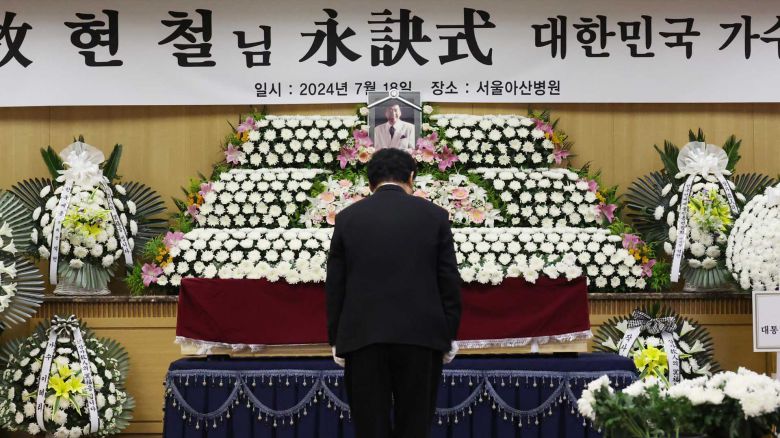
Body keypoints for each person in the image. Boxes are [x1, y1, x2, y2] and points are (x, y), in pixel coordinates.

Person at [325, 148, 462, 438]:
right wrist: (448, 334)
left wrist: (337, 338)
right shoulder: (435, 216)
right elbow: (448, 280)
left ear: (370, 182)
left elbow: (336, 284)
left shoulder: (347, 218)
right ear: (411, 177)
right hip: (422, 337)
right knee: (414, 425)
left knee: (370, 427)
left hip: (362, 338)